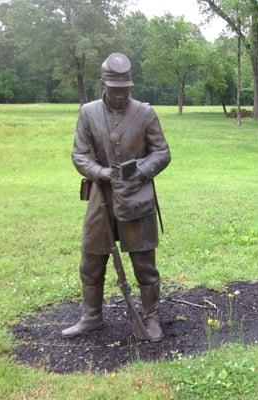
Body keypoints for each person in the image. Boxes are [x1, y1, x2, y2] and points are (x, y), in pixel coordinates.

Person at [62, 53, 171, 341]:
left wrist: (138, 173)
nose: (120, 95)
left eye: (125, 89)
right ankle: (91, 317)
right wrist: (100, 172)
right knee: (91, 260)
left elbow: (162, 152)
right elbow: (79, 154)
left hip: (137, 197)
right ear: (104, 85)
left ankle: (152, 317)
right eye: (114, 89)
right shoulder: (88, 112)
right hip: (101, 198)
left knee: (144, 262)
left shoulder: (145, 113)